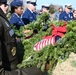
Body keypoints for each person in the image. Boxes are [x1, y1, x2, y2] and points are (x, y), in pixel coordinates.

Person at [0, 0, 43, 75]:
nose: (7, 7)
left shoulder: (3, 19)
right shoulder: (7, 19)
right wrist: (37, 70)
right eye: (4, 5)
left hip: (13, 66)